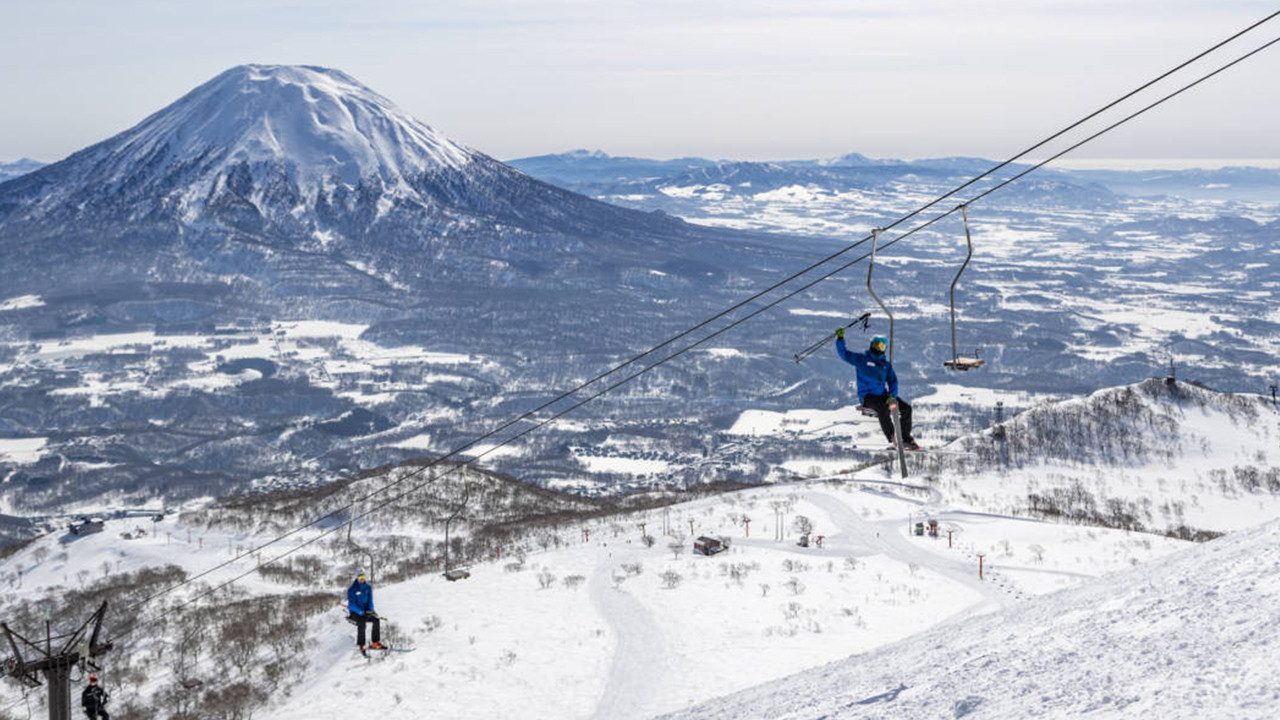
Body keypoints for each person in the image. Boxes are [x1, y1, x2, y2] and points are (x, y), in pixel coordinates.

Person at [834, 329, 920, 450]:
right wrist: (840, 339)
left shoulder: (886, 365)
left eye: (882, 346)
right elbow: (844, 354)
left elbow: (892, 381)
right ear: (872, 345)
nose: (879, 348)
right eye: (877, 345)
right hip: (868, 397)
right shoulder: (862, 359)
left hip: (883, 395)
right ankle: (892, 436)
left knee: (906, 409)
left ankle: (905, 438)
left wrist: (892, 395)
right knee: (883, 408)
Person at [347, 572, 386, 653]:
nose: (362, 578)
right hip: (356, 612)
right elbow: (352, 604)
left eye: (363, 576)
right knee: (362, 623)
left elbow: (370, 600)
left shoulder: (368, 587)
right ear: (357, 578)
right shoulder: (352, 589)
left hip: (366, 610)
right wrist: (360, 612)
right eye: (360, 577)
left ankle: (375, 642)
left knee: (376, 620)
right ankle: (361, 645)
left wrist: (370, 610)